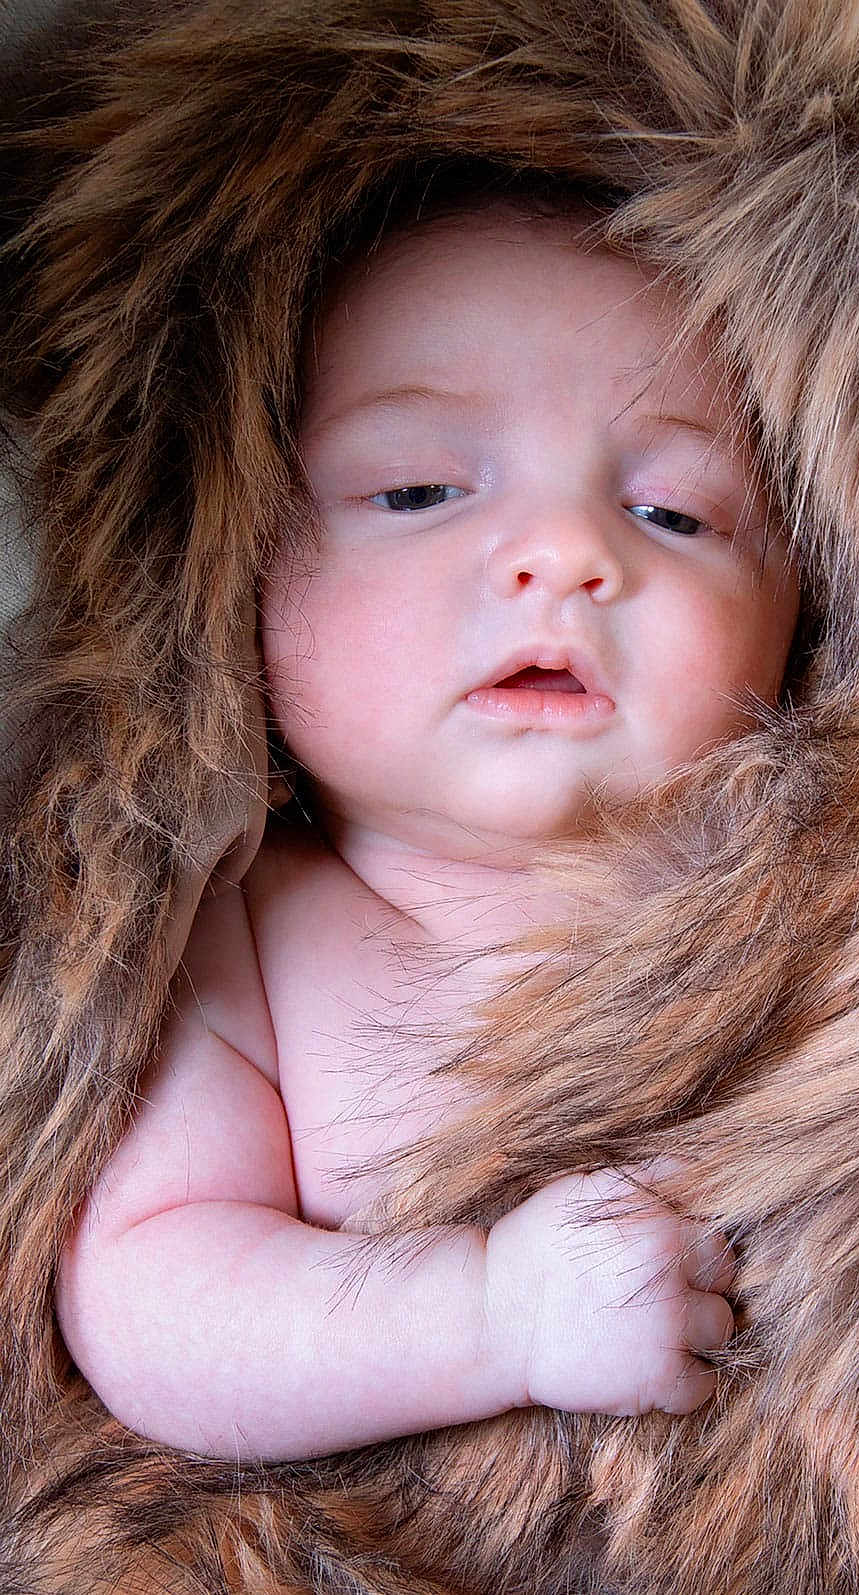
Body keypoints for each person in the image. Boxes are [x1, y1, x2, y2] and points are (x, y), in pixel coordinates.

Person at [54, 189, 801, 1463]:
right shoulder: (237, 926)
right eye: (417, 489)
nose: (565, 551)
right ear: (236, 572)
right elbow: (149, 1297)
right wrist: (484, 1319)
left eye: (674, 513)